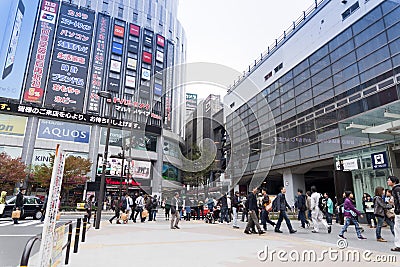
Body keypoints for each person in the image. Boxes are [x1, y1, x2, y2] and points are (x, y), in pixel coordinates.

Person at [387, 176, 400, 252]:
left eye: (389, 180)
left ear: (394, 181)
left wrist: (397, 209)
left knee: (397, 229)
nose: (387, 181)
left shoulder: (397, 189)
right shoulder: (395, 189)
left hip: (399, 212)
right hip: (398, 211)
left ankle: (398, 246)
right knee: (397, 228)